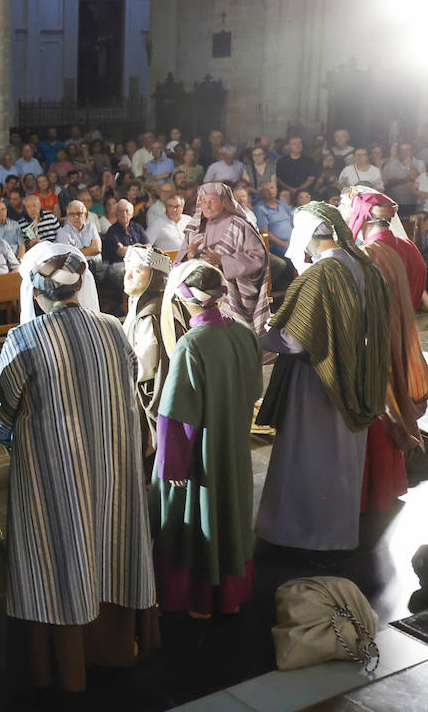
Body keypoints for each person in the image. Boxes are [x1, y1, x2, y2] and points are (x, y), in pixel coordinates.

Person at [0, 246, 157, 692]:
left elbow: (0, 416)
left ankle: (60, 665)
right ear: (82, 285)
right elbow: (129, 391)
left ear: (36, 291)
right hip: (112, 467)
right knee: (110, 546)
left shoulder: (25, 339)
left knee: (58, 555)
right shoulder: (111, 329)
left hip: (53, 474)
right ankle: (117, 647)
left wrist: (15, 439)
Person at [254, 203, 391, 550]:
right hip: (354, 372)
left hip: (319, 380)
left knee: (312, 455)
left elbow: (296, 339)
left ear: (312, 233)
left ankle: (308, 536)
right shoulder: (362, 265)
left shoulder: (322, 274)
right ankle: (339, 534)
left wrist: (255, 340)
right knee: (342, 458)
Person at [152, 260, 263, 618]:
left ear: (185, 300)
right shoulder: (244, 332)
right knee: (232, 513)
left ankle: (200, 601)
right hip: (234, 443)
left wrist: (170, 467)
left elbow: (176, 414)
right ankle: (229, 597)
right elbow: (254, 388)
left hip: (202, 452)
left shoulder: (191, 343)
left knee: (200, 518)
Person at [356, 210, 428, 513]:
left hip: (376, 338)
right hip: (402, 329)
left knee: (383, 405)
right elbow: (419, 275)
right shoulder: (406, 245)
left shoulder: (370, 252)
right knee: (397, 392)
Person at [181, 183, 269, 330]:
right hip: (199, 296)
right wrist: (190, 254)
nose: (207, 206)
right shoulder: (195, 227)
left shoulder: (240, 226)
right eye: (204, 202)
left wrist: (223, 261)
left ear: (224, 202)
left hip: (233, 294)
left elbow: (257, 258)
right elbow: (181, 262)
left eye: (212, 201)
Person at [121, 244, 175, 439]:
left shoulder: (151, 313)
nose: (128, 277)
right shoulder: (142, 304)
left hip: (152, 397)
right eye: (126, 270)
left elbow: (144, 367)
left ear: (155, 277)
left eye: (136, 271)